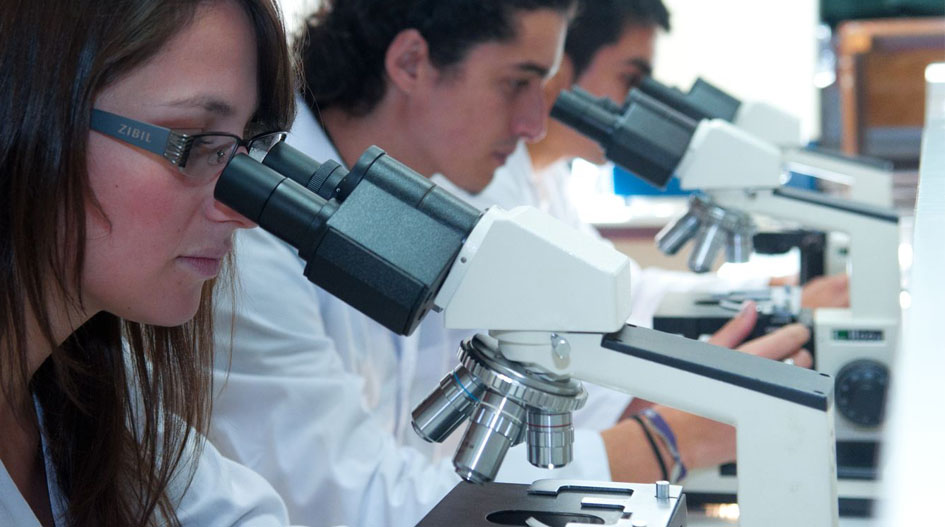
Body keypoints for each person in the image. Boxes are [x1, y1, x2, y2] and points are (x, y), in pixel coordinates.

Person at [209, 1, 812, 527]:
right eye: (516, 82)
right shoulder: (245, 234)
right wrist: (667, 441)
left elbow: (548, 354)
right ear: (412, 62)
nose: (535, 123)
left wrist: (677, 402)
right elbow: (364, 505)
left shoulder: (430, 188)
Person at [0, 1, 302, 525]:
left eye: (244, 149)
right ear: (28, 112)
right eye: (196, 144)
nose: (241, 213)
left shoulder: (92, 390)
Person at [482, 0, 850, 317]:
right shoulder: (489, 189)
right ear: (557, 72)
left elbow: (628, 290)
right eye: (630, 80)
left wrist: (773, 289)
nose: (642, 107)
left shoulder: (550, 179)